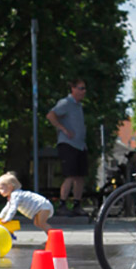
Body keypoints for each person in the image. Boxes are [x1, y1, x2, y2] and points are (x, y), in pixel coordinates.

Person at [46, 79, 88, 215]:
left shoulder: (78, 105)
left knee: (80, 176)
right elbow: (51, 115)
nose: (83, 91)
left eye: (84, 88)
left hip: (80, 145)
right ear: (73, 89)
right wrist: (63, 129)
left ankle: (77, 204)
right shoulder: (66, 103)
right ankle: (62, 204)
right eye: (81, 88)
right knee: (69, 175)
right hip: (68, 144)